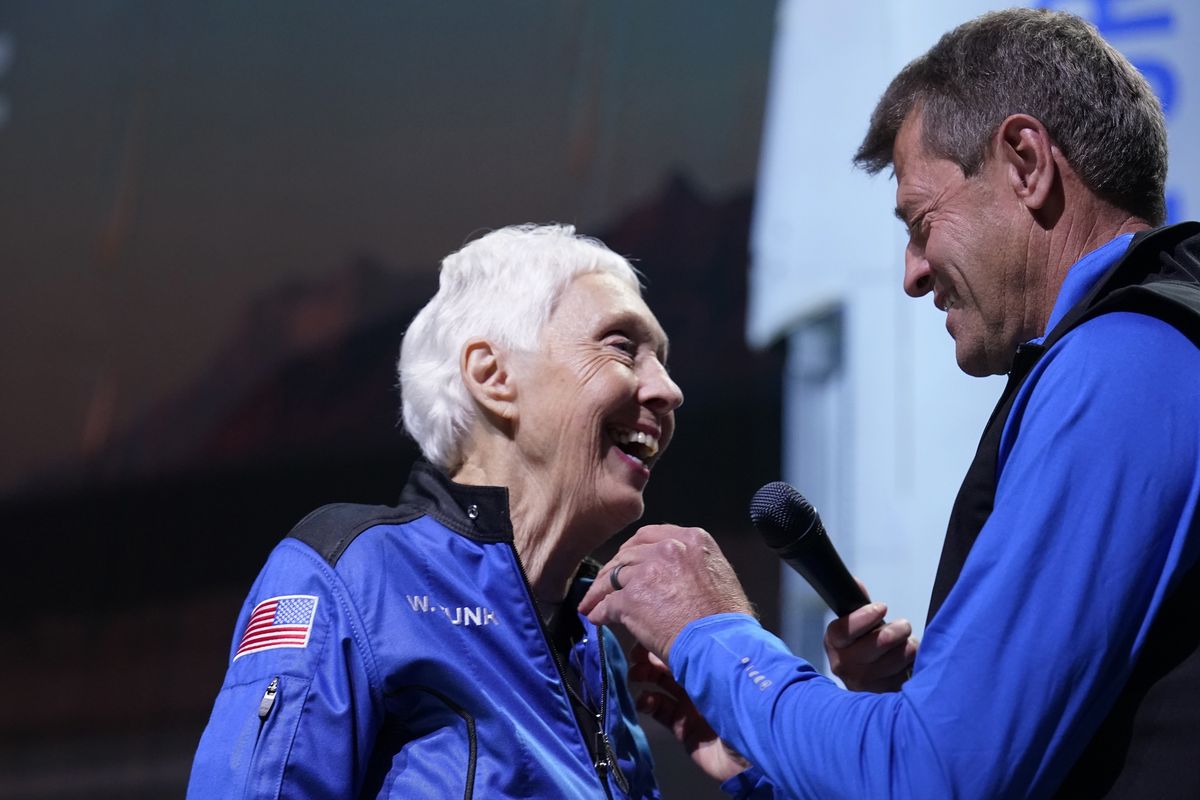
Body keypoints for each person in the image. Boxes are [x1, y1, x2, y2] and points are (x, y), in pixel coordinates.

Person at [580, 8, 1200, 799]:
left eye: (921, 221)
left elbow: (935, 774)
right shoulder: (1155, 347)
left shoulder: (1124, 368)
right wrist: (763, 751)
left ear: (1026, 161)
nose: (912, 272)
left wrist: (711, 634)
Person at [187, 224, 684, 798]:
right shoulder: (353, 571)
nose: (668, 389)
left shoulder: (598, 640)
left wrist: (746, 770)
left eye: (663, 361)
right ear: (493, 377)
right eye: (622, 346)